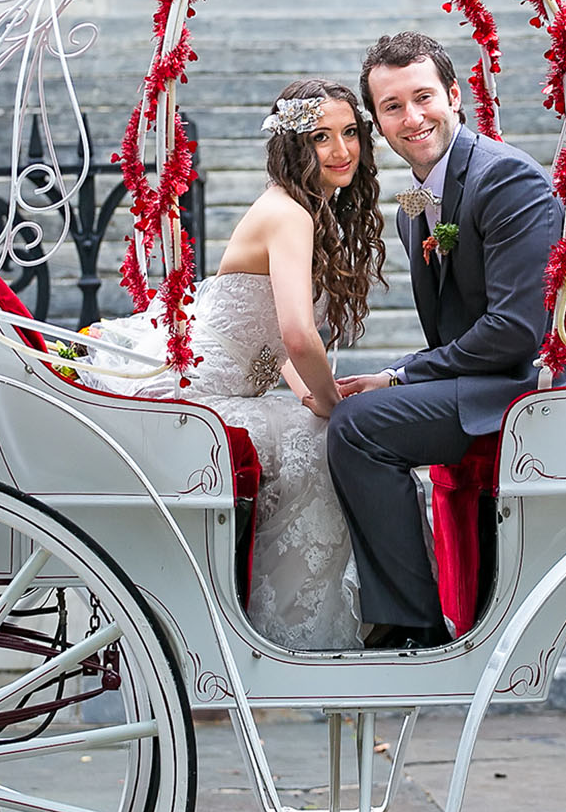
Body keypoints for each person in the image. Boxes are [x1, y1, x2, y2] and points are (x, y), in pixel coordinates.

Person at [327, 32, 566, 650]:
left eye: (423, 97)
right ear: (378, 123)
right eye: (392, 107)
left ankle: (410, 625)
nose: (412, 118)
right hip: (501, 368)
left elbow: (518, 330)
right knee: (353, 413)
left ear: (455, 96)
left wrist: (400, 376)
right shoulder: (416, 200)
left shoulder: (504, 180)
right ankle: (410, 609)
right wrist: (401, 376)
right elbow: (460, 328)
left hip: (558, 375)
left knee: (359, 426)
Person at [86, 78, 384, 651]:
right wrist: (328, 404)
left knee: (320, 428)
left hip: (241, 387)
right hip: (195, 389)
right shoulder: (290, 214)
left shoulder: (308, 209)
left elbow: (281, 342)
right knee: (325, 441)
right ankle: (292, 632)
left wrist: (310, 395)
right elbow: (298, 335)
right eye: (322, 137)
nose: (342, 150)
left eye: (350, 133)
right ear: (294, 145)